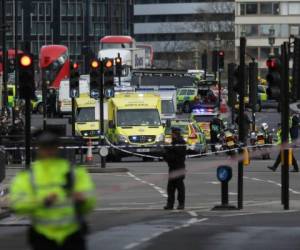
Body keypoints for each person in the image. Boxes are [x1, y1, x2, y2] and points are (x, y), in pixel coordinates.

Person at [9, 130, 96, 250]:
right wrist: (42, 201)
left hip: (72, 235)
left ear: (57, 147)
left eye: (52, 145)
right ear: (38, 148)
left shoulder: (73, 171)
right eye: (45, 146)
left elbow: (90, 200)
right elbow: (17, 204)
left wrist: (83, 199)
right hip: (43, 237)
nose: (48, 150)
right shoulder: (29, 175)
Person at [163, 127, 187, 210]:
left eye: (172, 133)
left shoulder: (181, 143)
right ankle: (170, 204)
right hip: (172, 168)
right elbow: (170, 154)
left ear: (175, 134)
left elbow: (177, 154)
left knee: (180, 187)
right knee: (170, 188)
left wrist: (167, 149)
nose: (171, 135)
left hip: (179, 168)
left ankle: (181, 204)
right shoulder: (174, 143)